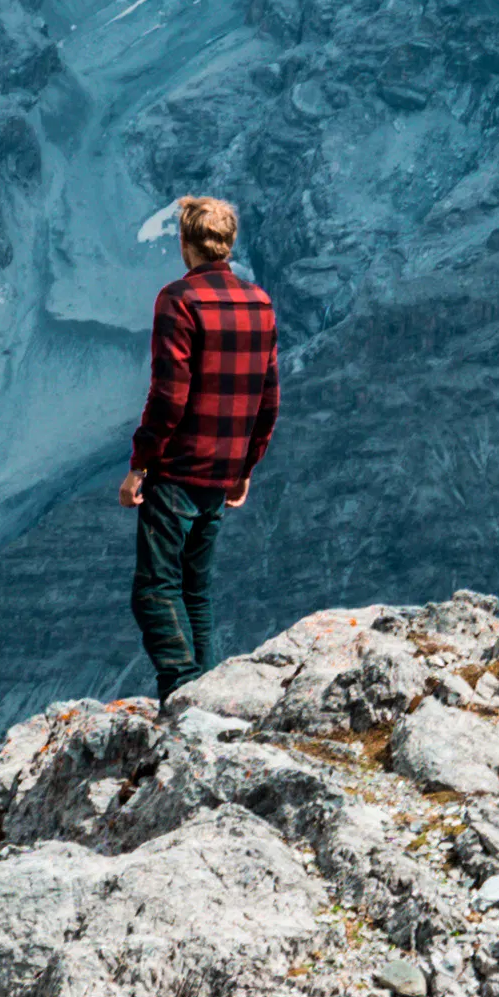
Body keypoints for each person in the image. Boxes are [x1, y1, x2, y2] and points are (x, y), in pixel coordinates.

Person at [117, 194, 278, 699]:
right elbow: (268, 397)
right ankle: (204, 694)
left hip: (178, 469)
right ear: (227, 243)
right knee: (195, 588)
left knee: (154, 590)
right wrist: (247, 465)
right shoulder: (261, 303)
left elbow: (169, 395)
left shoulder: (179, 300)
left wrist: (140, 466)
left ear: (185, 243)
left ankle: (182, 690)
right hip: (223, 469)